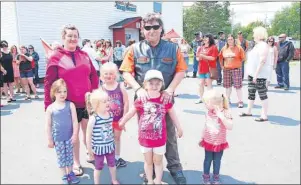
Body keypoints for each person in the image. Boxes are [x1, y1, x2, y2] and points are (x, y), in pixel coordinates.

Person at [120, 12, 188, 184]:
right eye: (147, 27)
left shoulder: (173, 48)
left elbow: (181, 70)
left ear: (161, 29)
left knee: (169, 135)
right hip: (144, 104)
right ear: (143, 30)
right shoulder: (134, 49)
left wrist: (171, 89)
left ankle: (175, 168)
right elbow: (126, 72)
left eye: (155, 27)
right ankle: (149, 171)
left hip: (165, 99)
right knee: (147, 133)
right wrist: (137, 88)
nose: (151, 30)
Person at [44, 24, 99, 176]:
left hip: (86, 102)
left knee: (88, 130)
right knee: (73, 134)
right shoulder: (56, 57)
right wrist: (48, 105)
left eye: (75, 36)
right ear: (63, 37)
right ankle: (76, 162)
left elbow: (94, 75)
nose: (73, 38)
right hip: (68, 105)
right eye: (69, 35)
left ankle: (89, 152)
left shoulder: (85, 55)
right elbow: (49, 82)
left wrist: (94, 93)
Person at [119, 70, 183, 184]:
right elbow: (131, 113)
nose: (154, 86)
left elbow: (173, 114)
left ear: (162, 85)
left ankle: (157, 181)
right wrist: (122, 122)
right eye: (151, 83)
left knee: (158, 161)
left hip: (160, 138)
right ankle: (149, 181)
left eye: (157, 83)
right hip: (145, 139)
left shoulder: (165, 99)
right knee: (148, 162)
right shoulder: (141, 99)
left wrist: (179, 127)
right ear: (145, 85)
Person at [45, 79, 80, 184]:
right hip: (58, 138)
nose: (62, 94)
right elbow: (48, 125)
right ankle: (64, 176)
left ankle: (70, 174)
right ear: (54, 92)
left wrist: (75, 134)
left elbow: (75, 121)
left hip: (69, 137)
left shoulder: (70, 105)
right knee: (61, 157)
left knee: (69, 156)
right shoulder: (50, 108)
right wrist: (50, 139)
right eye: (59, 91)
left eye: (64, 91)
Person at [85, 88, 120, 185]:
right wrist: (89, 149)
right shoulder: (94, 118)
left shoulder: (110, 115)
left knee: (112, 164)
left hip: (109, 146)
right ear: (96, 105)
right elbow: (88, 134)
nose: (108, 103)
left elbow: (112, 127)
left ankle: (113, 180)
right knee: (98, 167)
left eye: (108, 100)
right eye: (104, 101)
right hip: (98, 148)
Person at [199, 89, 233, 184]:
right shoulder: (208, 112)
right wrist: (202, 137)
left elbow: (230, 126)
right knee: (207, 160)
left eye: (206, 103)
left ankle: (216, 177)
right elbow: (206, 125)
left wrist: (221, 117)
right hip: (208, 141)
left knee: (217, 160)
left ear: (213, 104)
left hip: (219, 142)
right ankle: (206, 176)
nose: (205, 105)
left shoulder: (226, 112)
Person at [100, 62, 129, 168]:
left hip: (118, 119)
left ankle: (116, 157)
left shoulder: (120, 87)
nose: (108, 76)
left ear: (115, 75)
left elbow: (126, 103)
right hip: (106, 120)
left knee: (117, 138)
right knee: (107, 138)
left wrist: (124, 119)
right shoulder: (102, 88)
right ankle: (108, 157)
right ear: (102, 76)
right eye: (106, 74)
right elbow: (99, 104)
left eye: (111, 73)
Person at [240, 26, 271, 122]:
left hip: (259, 75)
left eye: (254, 33)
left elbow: (262, 61)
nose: (253, 35)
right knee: (251, 93)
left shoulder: (263, 45)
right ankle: (249, 111)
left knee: (262, 94)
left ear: (258, 35)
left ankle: (264, 115)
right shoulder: (256, 45)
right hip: (252, 74)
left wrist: (256, 75)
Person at [219, 34, 245, 107]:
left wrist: (236, 62)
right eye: (228, 39)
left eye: (231, 39)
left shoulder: (239, 48)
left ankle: (240, 101)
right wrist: (222, 66)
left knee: (238, 86)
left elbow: (243, 58)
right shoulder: (224, 48)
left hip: (236, 69)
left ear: (234, 40)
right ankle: (227, 100)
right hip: (226, 69)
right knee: (227, 86)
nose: (230, 41)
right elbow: (220, 58)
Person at [195, 33, 218, 104]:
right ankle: (201, 98)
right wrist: (199, 58)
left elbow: (213, 58)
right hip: (201, 68)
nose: (204, 39)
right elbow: (197, 58)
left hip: (209, 69)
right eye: (204, 38)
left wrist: (203, 56)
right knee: (200, 84)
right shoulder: (200, 47)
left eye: (206, 38)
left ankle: (210, 99)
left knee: (209, 84)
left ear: (210, 39)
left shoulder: (213, 47)